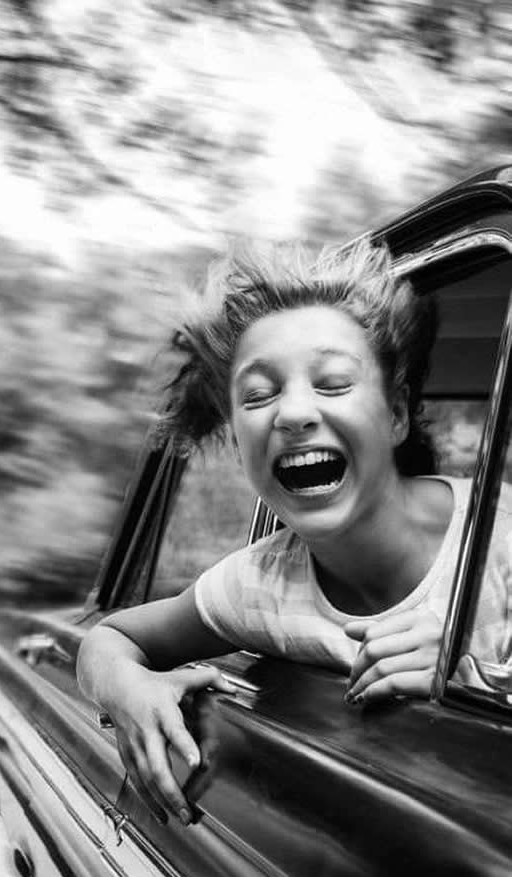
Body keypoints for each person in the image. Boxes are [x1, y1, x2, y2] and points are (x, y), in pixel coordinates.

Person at [77, 238, 511, 826]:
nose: (293, 413)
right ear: (238, 442)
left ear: (397, 414)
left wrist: (484, 678)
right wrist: (126, 692)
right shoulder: (257, 585)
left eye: (333, 383)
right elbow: (108, 641)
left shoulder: (500, 534)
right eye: (258, 395)